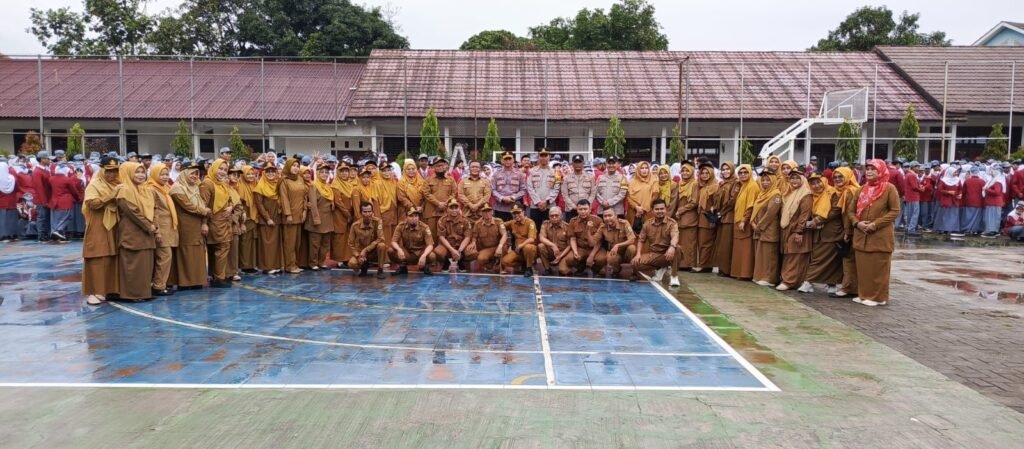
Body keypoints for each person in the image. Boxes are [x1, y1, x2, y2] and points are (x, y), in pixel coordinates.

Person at [852, 159, 901, 306]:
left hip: (880, 236)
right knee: (864, 269)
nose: (869, 172)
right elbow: (850, 211)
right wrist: (857, 223)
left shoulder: (889, 189)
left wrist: (876, 224)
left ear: (881, 171)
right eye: (867, 169)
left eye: (873, 169)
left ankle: (879, 298)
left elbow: (895, 211)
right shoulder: (861, 189)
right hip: (862, 236)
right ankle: (864, 295)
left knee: (879, 269)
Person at [114, 161, 157, 301]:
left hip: (146, 233)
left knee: (144, 265)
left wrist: (153, 225)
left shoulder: (143, 190)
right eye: (136, 172)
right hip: (132, 233)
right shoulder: (124, 190)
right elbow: (132, 212)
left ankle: (143, 293)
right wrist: (148, 225)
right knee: (133, 265)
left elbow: (152, 209)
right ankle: (132, 294)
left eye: (142, 172)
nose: (141, 175)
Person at [81, 157, 120, 305]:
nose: (112, 174)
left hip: (114, 226)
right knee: (97, 256)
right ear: (102, 171)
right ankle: (93, 290)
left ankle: (109, 289)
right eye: (108, 171)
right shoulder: (94, 185)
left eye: (115, 171)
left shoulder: (118, 184)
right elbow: (93, 204)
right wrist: (111, 196)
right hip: (98, 225)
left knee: (112, 257)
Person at [169, 161, 211, 288]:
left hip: (197, 224)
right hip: (185, 226)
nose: (195, 176)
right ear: (184, 173)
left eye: (197, 173)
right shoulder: (177, 188)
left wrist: (204, 220)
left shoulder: (196, 187)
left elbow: (203, 204)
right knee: (186, 252)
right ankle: (186, 282)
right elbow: (188, 206)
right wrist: (205, 211)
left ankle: (196, 280)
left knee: (197, 252)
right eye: (192, 173)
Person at [200, 160, 240, 287]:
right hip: (213, 221)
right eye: (220, 169)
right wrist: (204, 223)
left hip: (224, 221)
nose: (222, 172)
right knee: (221, 247)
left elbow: (229, 199)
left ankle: (217, 276)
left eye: (225, 170)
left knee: (221, 248)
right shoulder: (207, 184)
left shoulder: (222, 184)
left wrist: (230, 207)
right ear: (213, 168)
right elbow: (204, 205)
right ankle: (219, 278)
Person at [803, 173, 842, 294]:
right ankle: (824, 283)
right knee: (818, 257)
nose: (816, 186)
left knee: (829, 259)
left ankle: (811, 281)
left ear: (824, 181)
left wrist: (819, 219)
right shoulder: (812, 196)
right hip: (818, 232)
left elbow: (836, 210)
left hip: (831, 231)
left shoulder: (833, 192)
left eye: (818, 182)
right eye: (813, 184)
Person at [776, 171, 813, 291]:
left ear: (802, 179)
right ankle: (789, 280)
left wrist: (799, 231)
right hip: (789, 229)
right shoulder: (791, 193)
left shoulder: (806, 194)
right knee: (790, 255)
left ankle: (789, 281)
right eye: (792, 178)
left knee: (795, 255)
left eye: (797, 178)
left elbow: (804, 215)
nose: (794, 181)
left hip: (798, 231)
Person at [146, 162, 177, 296]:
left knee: (165, 257)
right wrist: (157, 230)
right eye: (162, 174)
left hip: (168, 229)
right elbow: (153, 211)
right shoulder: (151, 189)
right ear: (154, 174)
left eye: (167, 174)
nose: (165, 177)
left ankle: (161, 283)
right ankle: (158, 286)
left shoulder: (165, 188)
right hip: (161, 229)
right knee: (164, 256)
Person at [631, 199, 678, 284]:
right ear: (652, 211)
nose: (660, 211)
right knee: (634, 263)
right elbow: (641, 240)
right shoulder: (647, 224)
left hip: (667, 254)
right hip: (653, 255)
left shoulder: (672, 223)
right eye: (657, 209)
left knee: (678, 249)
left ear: (666, 209)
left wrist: (672, 246)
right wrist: (638, 254)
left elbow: (675, 236)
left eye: (662, 209)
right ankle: (658, 270)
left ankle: (674, 276)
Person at [830, 166, 860, 299]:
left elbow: (849, 213)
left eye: (840, 176)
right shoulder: (843, 191)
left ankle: (847, 287)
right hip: (850, 228)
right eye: (835, 177)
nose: (837, 179)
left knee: (848, 259)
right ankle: (851, 286)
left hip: (851, 229)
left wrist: (847, 231)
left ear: (848, 176)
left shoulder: (849, 191)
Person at [751, 172, 782, 286]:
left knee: (770, 255)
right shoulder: (762, 193)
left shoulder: (776, 195)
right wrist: (753, 222)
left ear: (773, 181)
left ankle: (770, 279)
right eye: (763, 180)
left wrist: (759, 226)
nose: (765, 182)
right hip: (760, 229)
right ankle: (760, 276)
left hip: (769, 229)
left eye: (768, 180)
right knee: (762, 254)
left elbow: (770, 213)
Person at [730, 164, 759, 281]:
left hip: (744, 222)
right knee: (739, 248)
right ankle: (738, 272)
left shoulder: (752, 186)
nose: (742, 175)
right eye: (740, 173)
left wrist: (744, 220)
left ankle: (745, 273)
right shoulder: (743, 186)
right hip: (739, 221)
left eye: (745, 172)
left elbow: (750, 206)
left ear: (750, 173)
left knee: (746, 249)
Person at [278, 159, 307, 273]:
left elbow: (304, 196)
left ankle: (295, 264)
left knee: (297, 243)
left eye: (297, 166)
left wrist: (304, 211)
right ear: (288, 166)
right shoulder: (284, 181)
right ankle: (289, 266)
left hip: (300, 216)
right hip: (289, 217)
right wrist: (288, 214)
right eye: (293, 165)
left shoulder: (300, 179)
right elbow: (284, 198)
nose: (295, 168)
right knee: (289, 243)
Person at [389, 207, 436, 275]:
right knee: (391, 250)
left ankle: (425, 267)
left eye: (416, 216)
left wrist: (424, 255)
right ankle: (402, 267)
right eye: (411, 216)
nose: (414, 218)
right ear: (406, 217)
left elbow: (430, 245)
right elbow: (393, 241)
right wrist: (399, 249)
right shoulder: (401, 226)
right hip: (407, 253)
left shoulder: (425, 227)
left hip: (420, 253)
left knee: (432, 256)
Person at [304, 165, 335, 270]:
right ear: (317, 173)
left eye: (326, 172)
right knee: (315, 243)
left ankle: (321, 262)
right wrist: (316, 219)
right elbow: (313, 204)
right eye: (322, 172)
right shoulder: (314, 186)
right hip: (317, 218)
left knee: (325, 243)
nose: (324, 174)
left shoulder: (328, 186)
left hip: (328, 219)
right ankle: (313, 263)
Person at [713, 162, 740, 277]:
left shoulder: (736, 183)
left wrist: (721, 213)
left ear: (732, 170)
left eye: (728, 169)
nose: (725, 171)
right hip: (721, 217)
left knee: (726, 245)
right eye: (723, 169)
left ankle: (726, 269)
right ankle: (722, 268)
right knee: (720, 244)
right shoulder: (722, 183)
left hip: (728, 217)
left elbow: (732, 201)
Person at [331, 163, 360, 267]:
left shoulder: (349, 184)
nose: (344, 173)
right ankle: (339, 260)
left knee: (348, 237)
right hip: (339, 215)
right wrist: (347, 214)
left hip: (349, 215)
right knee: (339, 237)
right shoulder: (335, 185)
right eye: (342, 171)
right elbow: (338, 202)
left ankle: (346, 258)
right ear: (338, 172)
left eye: (346, 171)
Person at [594, 208, 637, 279]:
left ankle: (634, 270)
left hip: (626, 251)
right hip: (615, 252)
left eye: (610, 215)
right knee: (611, 258)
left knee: (632, 248)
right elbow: (594, 241)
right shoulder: (602, 227)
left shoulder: (624, 223)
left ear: (616, 216)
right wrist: (588, 230)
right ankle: (616, 270)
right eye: (605, 216)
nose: (607, 218)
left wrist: (618, 245)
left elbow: (632, 240)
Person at [347, 202, 387, 278]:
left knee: (382, 246)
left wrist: (366, 250)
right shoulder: (355, 225)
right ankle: (363, 267)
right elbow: (350, 243)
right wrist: (358, 256)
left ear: (372, 212)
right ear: (361, 213)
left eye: (369, 211)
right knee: (352, 263)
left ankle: (380, 270)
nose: (367, 214)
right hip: (360, 253)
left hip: (373, 252)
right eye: (365, 212)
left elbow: (381, 238)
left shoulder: (378, 222)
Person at [434, 198, 474, 271]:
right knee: (438, 252)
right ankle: (446, 261)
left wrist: (459, 251)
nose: (454, 210)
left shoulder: (465, 220)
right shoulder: (442, 220)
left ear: (459, 208)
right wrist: (452, 250)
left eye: (456, 208)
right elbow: (441, 237)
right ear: (447, 209)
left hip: (461, 245)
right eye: (451, 208)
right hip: (447, 245)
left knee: (472, 253)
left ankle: (460, 261)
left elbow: (467, 237)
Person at [674, 161, 699, 271]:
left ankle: (689, 264)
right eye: (683, 171)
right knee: (681, 241)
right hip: (680, 217)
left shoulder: (694, 184)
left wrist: (681, 210)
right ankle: (681, 263)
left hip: (689, 216)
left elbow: (694, 202)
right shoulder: (680, 184)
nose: (684, 173)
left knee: (690, 242)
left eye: (687, 171)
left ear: (692, 172)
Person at [526, 149, 561, 231]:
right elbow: (529, 188)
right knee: (535, 230)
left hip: (550, 206)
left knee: (551, 230)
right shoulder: (531, 171)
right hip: (535, 206)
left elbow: (557, 188)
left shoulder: (556, 172)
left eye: (546, 155)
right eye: (541, 155)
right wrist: (538, 202)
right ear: (538, 157)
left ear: (549, 157)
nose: (543, 158)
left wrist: (547, 201)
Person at [566, 199, 602, 275]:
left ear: (590, 209)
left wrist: (592, 255)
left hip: (594, 248)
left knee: (601, 259)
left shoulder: (598, 220)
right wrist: (575, 251)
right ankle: (581, 267)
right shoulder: (573, 221)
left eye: (585, 209)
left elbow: (599, 241)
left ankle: (596, 269)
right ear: (577, 210)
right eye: (580, 209)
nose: (583, 211)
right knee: (570, 259)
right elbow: (572, 238)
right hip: (581, 248)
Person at [501, 204, 538, 277]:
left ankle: (529, 268)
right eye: (514, 213)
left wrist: (521, 245)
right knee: (505, 261)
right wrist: (503, 232)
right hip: (518, 251)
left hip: (529, 250)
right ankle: (522, 264)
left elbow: (531, 239)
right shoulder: (512, 222)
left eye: (518, 212)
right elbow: (500, 225)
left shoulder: (530, 222)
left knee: (528, 248)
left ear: (523, 212)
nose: (516, 215)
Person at [423, 157, 457, 239]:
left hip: (446, 211)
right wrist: (438, 203)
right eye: (437, 166)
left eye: (442, 165)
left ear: (446, 166)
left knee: (446, 233)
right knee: (432, 234)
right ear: (433, 167)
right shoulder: (428, 180)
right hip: (431, 212)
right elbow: (426, 193)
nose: (440, 168)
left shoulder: (451, 180)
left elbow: (454, 193)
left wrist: (445, 203)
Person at [694, 163, 718, 272]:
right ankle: (706, 265)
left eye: (707, 173)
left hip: (708, 218)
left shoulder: (715, 187)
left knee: (706, 243)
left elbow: (717, 203)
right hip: (701, 217)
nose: (704, 175)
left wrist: (713, 210)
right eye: (702, 173)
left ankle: (703, 265)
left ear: (711, 174)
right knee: (703, 242)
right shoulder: (703, 186)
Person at [49, 164, 83, 242]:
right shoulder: (67, 180)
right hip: (65, 201)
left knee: (55, 219)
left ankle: (55, 233)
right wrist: (78, 198)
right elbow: (74, 191)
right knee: (67, 217)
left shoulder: (51, 179)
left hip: (54, 201)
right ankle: (58, 230)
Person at [235, 166, 259, 273]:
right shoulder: (239, 185)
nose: (251, 176)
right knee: (244, 242)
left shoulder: (255, 184)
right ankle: (245, 265)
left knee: (252, 242)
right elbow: (239, 202)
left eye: (252, 174)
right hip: (245, 217)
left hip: (254, 217)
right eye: (248, 174)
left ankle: (252, 264)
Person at [491, 152, 526, 221]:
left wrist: (513, 197)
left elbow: (523, 190)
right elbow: (493, 189)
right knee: (500, 226)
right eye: (505, 159)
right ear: (502, 160)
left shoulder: (519, 174)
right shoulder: (496, 173)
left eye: (509, 159)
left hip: (515, 208)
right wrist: (502, 198)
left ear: (513, 160)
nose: (508, 161)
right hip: (499, 207)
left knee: (515, 227)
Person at [470, 204, 506, 273]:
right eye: (484, 211)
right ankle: (490, 264)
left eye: (489, 211)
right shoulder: (477, 224)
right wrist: (473, 242)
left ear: (492, 212)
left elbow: (504, 234)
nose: (487, 213)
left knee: (503, 248)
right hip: (486, 248)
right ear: (481, 213)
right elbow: (474, 236)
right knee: (479, 258)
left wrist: (500, 246)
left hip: (497, 246)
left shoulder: (499, 221)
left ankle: (501, 265)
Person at [538, 206, 572, 276]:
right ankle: (547, 268)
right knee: (541, 246)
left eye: (556, 215)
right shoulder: (545, 224)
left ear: (561, 216)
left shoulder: (567, 227)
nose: (554, 217)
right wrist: (553, 245)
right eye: (552, 216)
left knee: (563, 271)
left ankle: (568, 266)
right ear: (549, 217)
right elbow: (541, 238)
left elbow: (569, 245)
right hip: (551, 251)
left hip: (563, 252)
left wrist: (560, 256)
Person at [561, 155, 596, 221]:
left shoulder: (590, 177)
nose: (578, 164)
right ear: (572, 164)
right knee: (571, 227)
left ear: (583, 163)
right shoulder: (566, 178)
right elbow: (565, 194)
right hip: (571, 210)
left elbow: (593, 193)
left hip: (586, 210)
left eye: (579, 162)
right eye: (576, 162)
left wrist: (586, 205)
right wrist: (573, 206)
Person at [626, 161, 656, 227]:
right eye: (642, 168)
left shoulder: (653, 181)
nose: (644, 170)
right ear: (638, 169)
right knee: (634, 231)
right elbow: (628, 197)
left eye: (646, 168)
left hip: (648, 212)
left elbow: (655, 196)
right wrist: (636, 207)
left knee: (648, 230)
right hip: (634, 212)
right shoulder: (633, 182)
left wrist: (643, 209)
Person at [31, 151, 53, 242]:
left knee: (46, 218)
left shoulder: (45, 170)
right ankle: (42, 236)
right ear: (42, 159)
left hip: (47, 198)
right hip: (42, 199)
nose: (49, 160)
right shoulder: (37, 172)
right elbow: (39, 188)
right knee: (42, 218)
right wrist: (44, 201)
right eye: (47, 159)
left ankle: (46, 234)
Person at [934, 166, 961, 235]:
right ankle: (942, 228)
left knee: (953, 215)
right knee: (944, 215)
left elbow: (960, 189)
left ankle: (951, 228)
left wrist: (960, 194)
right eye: (955, 172)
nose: (956, 173)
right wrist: (948, 192)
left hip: (954, 200)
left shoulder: (958, 180)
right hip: (946, 200)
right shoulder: (944, 180)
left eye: (956, 172)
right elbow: (940, 189)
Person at [982, 163, 1006, 238]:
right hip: (993, 202)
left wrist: (986, 189)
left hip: (993, 202)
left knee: (992, 217)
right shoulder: (996, 179)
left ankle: (992, 231)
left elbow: (997, 192)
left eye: (993, 171)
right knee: (993, 217)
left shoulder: (997, 181)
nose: (992, 172)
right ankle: (992, 231)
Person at [960, 166, 985, 235]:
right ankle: (975, 230)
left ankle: (966, 229)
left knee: (968, 216)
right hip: (979, 201)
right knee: (977, 217)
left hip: (968, 201)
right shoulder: (982, 181)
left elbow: (963, 192)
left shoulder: (967, 181)